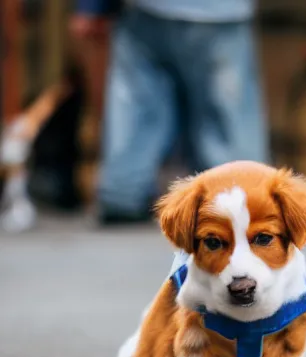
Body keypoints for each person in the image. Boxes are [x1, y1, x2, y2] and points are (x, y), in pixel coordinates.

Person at [71, 0, 269, 224]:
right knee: (225, 114)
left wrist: (92, 7)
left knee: (139, 105)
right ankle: (238, 197)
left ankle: (123, 194)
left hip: (148, 10)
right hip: (220, 12)